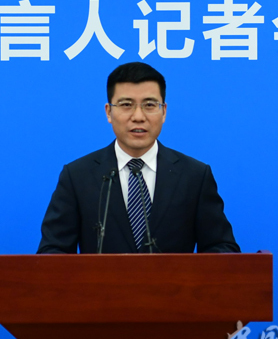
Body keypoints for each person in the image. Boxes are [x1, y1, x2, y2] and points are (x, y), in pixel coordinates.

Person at [37, 62, 240, 254]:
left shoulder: (194, 175)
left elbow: (222, 247)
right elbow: (52, 252)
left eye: (149, 105)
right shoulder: (77, 176)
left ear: (163, 112)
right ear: (109, 112)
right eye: (126, 105)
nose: (138, 116)